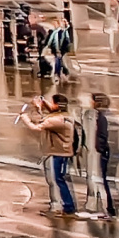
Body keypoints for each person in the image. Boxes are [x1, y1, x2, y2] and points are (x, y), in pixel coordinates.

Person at [22, 86, 82, 215]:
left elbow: (38, 126)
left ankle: (67, 206)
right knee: (58, 179)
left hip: (59, 153)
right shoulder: (63, 116)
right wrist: (42, 106)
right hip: (58, 152)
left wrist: (25, 118)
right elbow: (48, 117)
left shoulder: (57, 120)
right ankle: (63, 205)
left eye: (52, 102)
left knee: (57, 180)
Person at [89, 91, 119, 216]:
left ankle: (111, 209)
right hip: (112, 152)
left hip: (108, 153)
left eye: (92, 100)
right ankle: (112, 207)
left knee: (108, 182)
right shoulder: (107, 115)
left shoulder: (103, 117)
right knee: (109, 181)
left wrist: (101, 148)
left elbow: (103, 135)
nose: (91, 103)